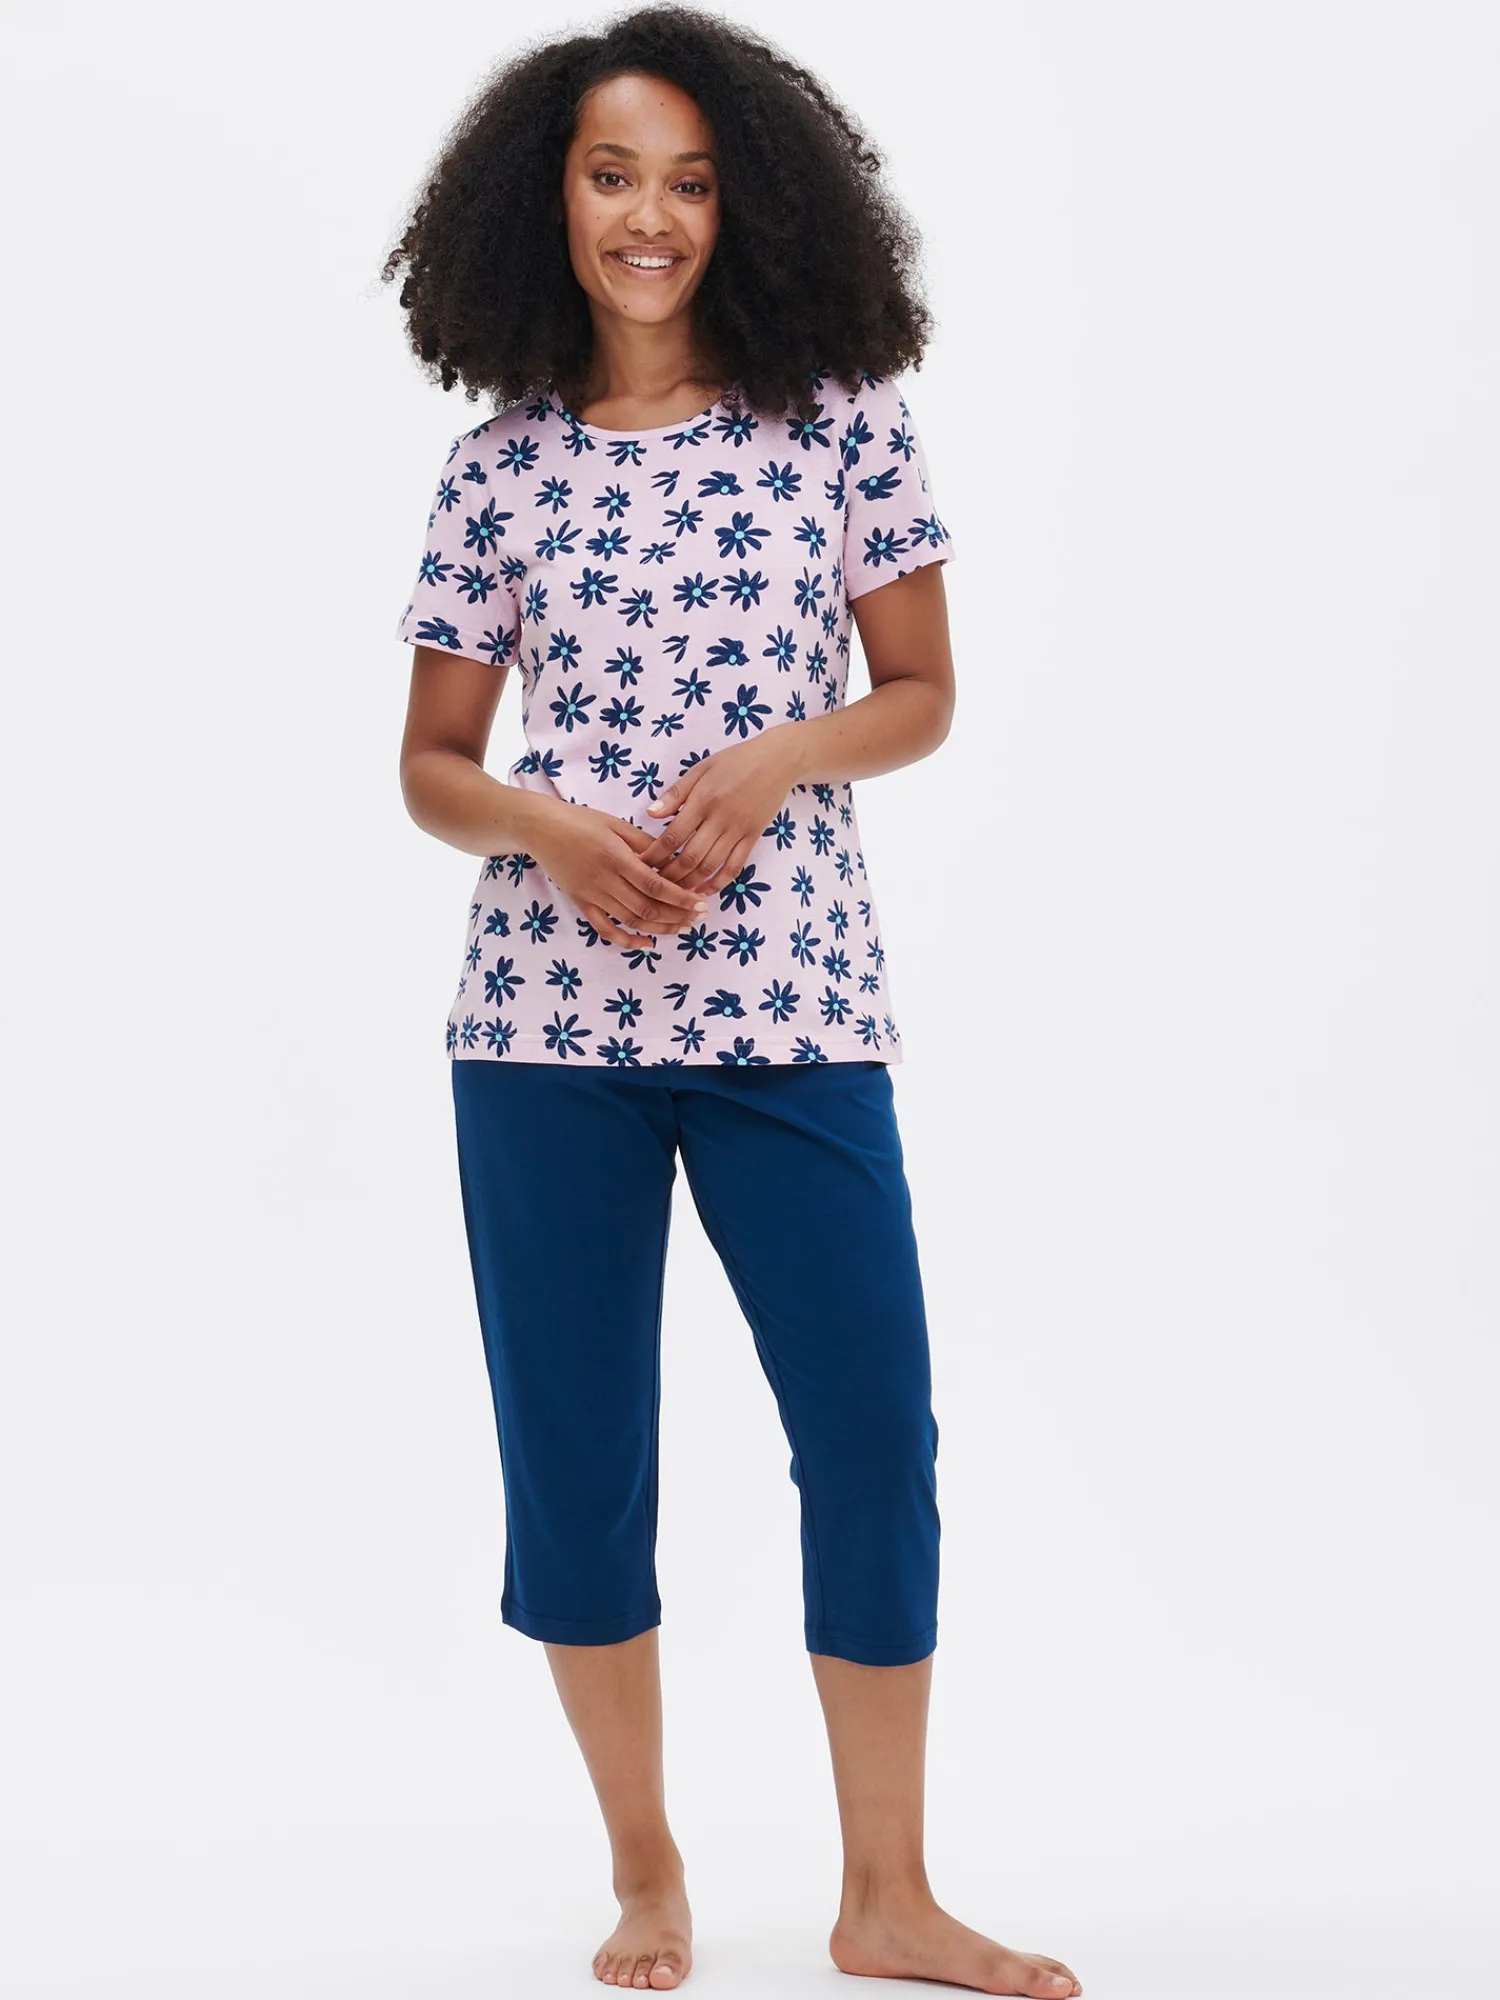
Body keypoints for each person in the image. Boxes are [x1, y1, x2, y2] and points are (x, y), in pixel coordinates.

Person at [382, 9, 1081, 1996]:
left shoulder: (839, 419)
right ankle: (646, 1871)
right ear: (548, 199)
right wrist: (543, 824)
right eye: (613, 175)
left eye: (689, 181)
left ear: (747, 202)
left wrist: (782, 757)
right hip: (544, 1037)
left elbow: (919, 692)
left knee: (870, 1433)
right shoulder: (497, 470)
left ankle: (887, 1895)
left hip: (795, 1008)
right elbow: (430, 765)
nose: (651, 216)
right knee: (577, 1457)